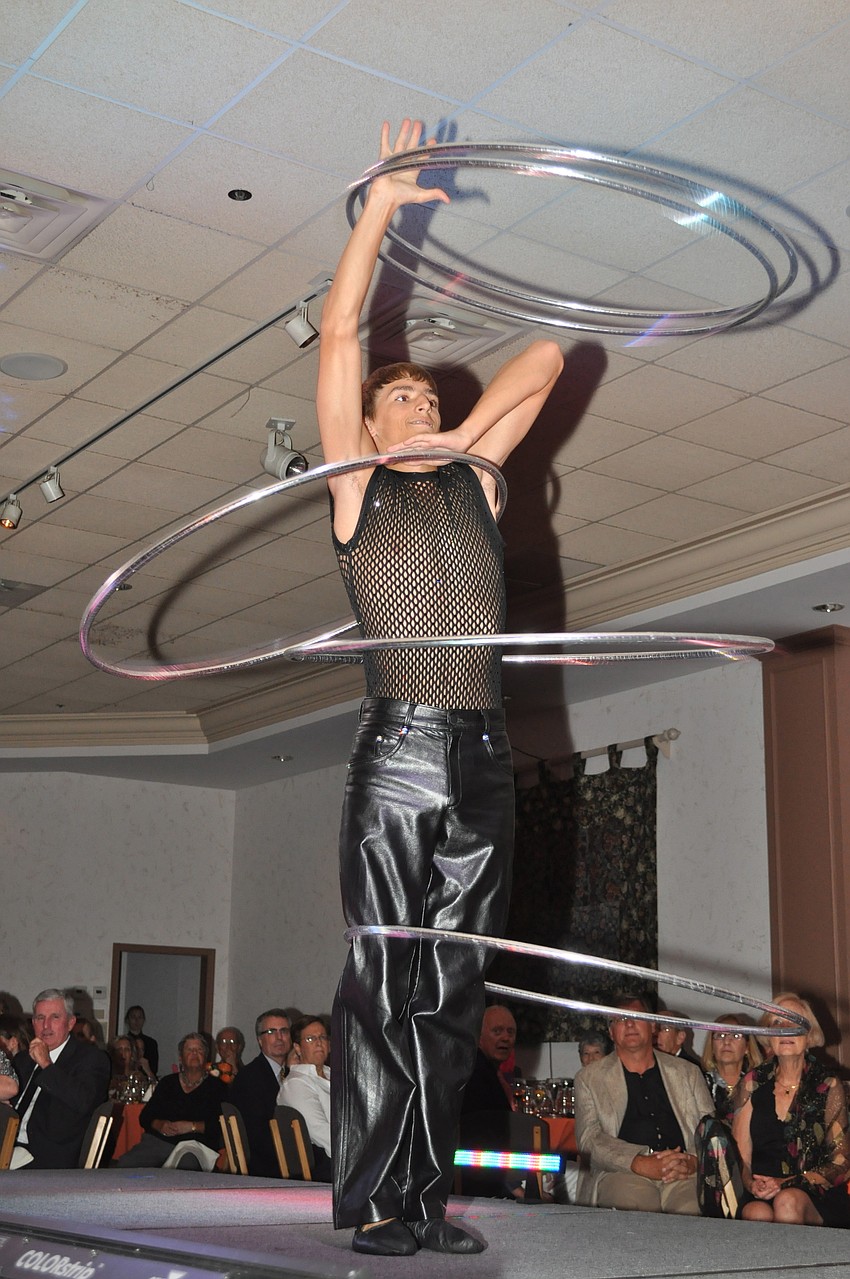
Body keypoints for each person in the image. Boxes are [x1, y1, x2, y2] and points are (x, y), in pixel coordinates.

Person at [319, 117, 563, 1259]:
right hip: (399, 748)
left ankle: (422, 1201)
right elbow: (335, 337)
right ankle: (370, 1201)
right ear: (363, 429)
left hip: (483, 756)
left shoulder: (478, 481)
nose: (413, 404)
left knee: (453, 991)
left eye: (423, 398)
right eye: (399, 400)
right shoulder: (358, 497)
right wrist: (380, 204)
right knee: (384, 976)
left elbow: (551, 356)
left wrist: (461, 436)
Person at [574, 994, 713, 1214]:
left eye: (637, 1017)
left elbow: (710, 1132)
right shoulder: (589, 1078)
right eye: (620, 1019)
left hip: (682, 1171)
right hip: (621, 1173)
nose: (629, 1024)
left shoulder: (687, 1072)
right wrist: (638, 1162)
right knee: (640, 1211)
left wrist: (692, 1162)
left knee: (690, 1211)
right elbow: (588, 1140)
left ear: (653, 1026)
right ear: (611, 1032)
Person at [732, 994, 850, 1226]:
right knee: (756, 1213)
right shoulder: (751, 1083)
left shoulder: (828, 1084)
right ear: (769, 1037)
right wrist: (751, 1184)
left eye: (794, 1022)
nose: (785, 1028)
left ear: (809, 1036)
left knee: (787, 1201)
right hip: (762, 1190)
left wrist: (785, 1182)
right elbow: (740, 1158)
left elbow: (841, 1163)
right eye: (777, 1023)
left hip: (816, 1193)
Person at [11, 988, 110, 1169]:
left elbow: (84, 1101)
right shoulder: (22, 1059)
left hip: (48, 1155)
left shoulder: (91, 1058)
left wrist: (46, 1065)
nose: (46, 1026)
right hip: (9, 1144)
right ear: (33, 1023)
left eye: (55, 1017)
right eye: (40, 1018)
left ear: (70, 1023)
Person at [115, 1032, 226, 1169]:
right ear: (181, 1057)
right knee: (126, 1164)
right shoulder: (168, 1083)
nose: (194, 1053)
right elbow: (145, 1116)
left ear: (206, 1056)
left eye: (199, 1050)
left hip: (196, 1145)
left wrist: (192, 1126)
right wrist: (159, 1124)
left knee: (186, 1166)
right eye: (189, 1050)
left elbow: (221, 1126)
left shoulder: (217, 1087)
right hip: (161, 1142)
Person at [229, 1008, 292, 1177]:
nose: (279, 1037)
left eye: (284, 1031)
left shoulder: (294, 1073)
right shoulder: (249, 1078)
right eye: (271, 1032)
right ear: (259, 1040)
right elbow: (256, 1135)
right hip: (269, 1165)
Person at [278, 1015, 332, 1181]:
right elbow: (320, 1132)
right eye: (310, 1038)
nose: (319, 1042)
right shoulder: (296, 1084)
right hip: (328, 1164)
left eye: (323, 1037)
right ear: (298, 1048)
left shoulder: (335, 1075)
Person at [700, 1013, 762, 1123]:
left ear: (747, 1047)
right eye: (720, 1036)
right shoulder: (700, 1083)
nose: (727, 1042)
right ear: (712, 1046)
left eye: (735, 1036)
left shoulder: (759, 1084)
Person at [108, 1035, 151, 1103]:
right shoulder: (107, 1076)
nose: (123, 1053)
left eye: (127, 1050)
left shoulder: (138, 1077)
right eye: (119, 1049)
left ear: (132, 1054)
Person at [125, 1005, 159, 1077]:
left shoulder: (151, 1043)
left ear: (143, 1020)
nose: (136, 1020)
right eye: (133, 1017)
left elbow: (154, 1070)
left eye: (140, 1017)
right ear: (127, 1020)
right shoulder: (123, 1042)